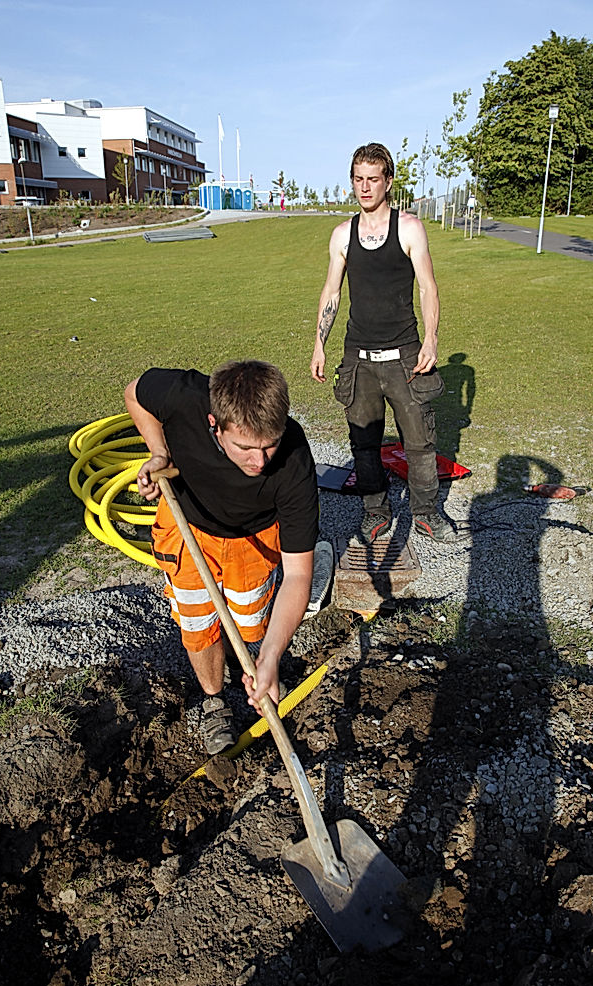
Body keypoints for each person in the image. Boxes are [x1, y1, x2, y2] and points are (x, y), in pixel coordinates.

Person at [125, 360, 318, 755]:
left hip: (253, 538)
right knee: (198, 623)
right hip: (188, 525)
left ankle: (248, 661)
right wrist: (159, 452)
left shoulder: (295, 462)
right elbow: (134, 394)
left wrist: (272, 658)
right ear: (215, 424)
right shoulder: (184, 397)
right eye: (245, 447)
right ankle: (214, 699)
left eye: (269, 445)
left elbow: (298, 575)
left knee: (250, 624)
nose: (260, 461)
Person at [310, 141, 454, 545]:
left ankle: (426, 513)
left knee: (420, 442)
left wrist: (431, 339)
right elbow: (331, 293)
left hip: (405, 354)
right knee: (364, 443)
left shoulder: (408, 228)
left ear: (388, 181)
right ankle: (375, 511)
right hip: (359, 357)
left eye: (373, 179)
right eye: (358, 179)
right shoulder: (343, 235)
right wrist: (319, 343)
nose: (365, 187)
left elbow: (428, 288)